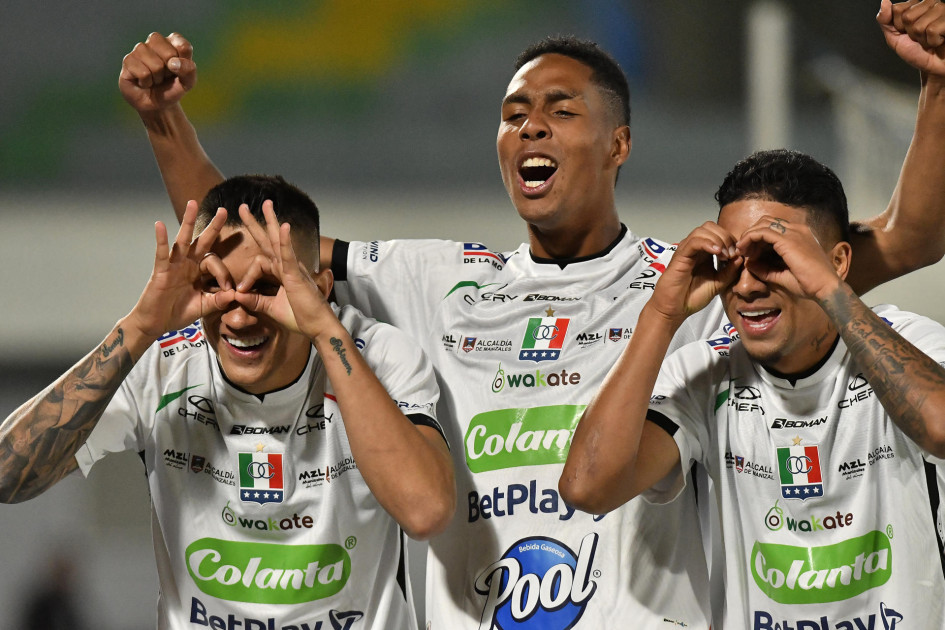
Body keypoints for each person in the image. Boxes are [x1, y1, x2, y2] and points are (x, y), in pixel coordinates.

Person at [118, 2, 945, 626]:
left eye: (559, 109)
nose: (529, 127)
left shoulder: (699, 280)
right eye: (513, 114)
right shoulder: (434, 281)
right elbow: (254, 248)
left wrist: (938, 81)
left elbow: (906, 238)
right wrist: (164, 121)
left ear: (618, 144)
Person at [0, 175, 455, 630]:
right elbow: (6, 474)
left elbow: (426, 512)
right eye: (215, 285)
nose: (238, 317)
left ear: (319, 288)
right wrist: (140, 326)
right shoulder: (163, 365)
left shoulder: (378, 353)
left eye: (267, 287)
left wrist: (325, 331)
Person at [561, 148, 945, 627]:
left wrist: (830, 291)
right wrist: (661, 314)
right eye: (732, 262)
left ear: (837, 261)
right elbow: (587, 487)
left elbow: (940, 427)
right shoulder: (704, 373)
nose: (746, 287)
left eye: (773, 257)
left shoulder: (907, 340)